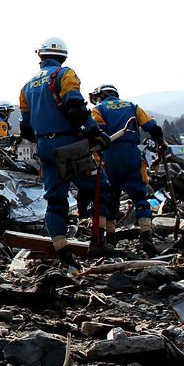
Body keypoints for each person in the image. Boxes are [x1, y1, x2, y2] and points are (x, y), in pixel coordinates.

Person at [19, 37, 115, 267]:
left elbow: (25, 127)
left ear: (40, 57)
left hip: (45, 147)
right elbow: (75, 106)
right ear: (62, 57)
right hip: (69, 146)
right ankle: (97, 241)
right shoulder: (64, 75)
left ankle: (64, 255)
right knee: (102, 188)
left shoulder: (26, 87)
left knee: (55, 201)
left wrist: (45, 140)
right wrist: (93, 133)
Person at [89, 84, 165, 256]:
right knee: (140, 196)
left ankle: (108, 238)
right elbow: (152, 127)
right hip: (131, 154)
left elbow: (94, 133)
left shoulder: (99, 109)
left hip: (110, 157)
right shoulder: (132, 107)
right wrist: (161, 142)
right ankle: (146, 236)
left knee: (109, 198)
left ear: (101, 95)